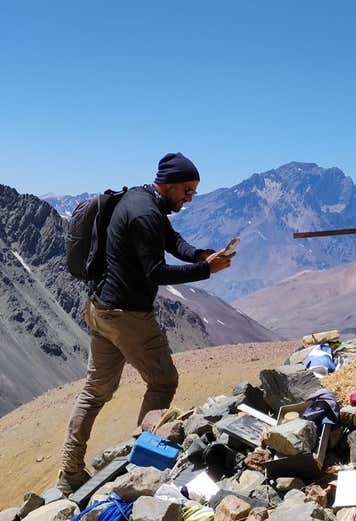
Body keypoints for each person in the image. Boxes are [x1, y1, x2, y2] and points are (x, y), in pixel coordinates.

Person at [57, 152, 233, 493]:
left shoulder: (139, 199)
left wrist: (198, 254)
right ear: (168, 184)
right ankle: (143, 467)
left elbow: (171, 240)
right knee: (163, 381)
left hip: (100, 308)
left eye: (193, 191)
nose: (189, 198)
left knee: (95, 391)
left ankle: (70, 472)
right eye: (187, 190)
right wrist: (206, 271)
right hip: (128, 315)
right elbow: (157, 271)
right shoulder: (145, 213)